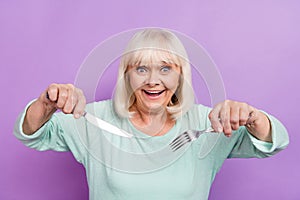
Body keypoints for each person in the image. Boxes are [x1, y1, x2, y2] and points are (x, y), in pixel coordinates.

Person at [14, 28, 289, 200]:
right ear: (127, 75)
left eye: (166, 69)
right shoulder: (94, 120)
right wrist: (47, 103)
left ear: (181, 76)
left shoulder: (208, 125)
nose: (153, 81)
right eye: (141, 69)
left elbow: (273, 142)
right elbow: (32, 133)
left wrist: (252, 117)